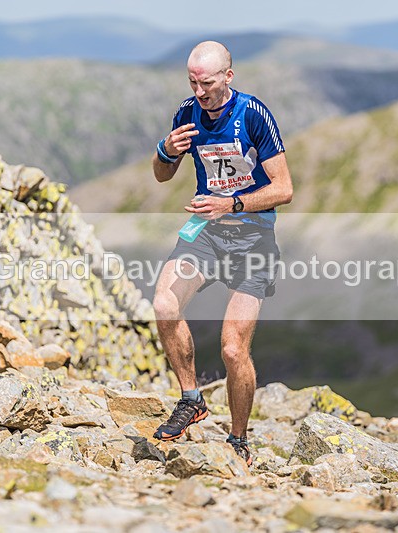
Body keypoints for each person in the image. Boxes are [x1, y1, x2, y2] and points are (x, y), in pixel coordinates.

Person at [150, 41, 293, 466]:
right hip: (206, 233)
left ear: (228, 77)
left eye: (207, 83)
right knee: (163, 303)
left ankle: (238, 438)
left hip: (253, 237)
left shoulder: (253, 114)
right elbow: (161, 176)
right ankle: (191, 398)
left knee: (233, 349)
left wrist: (230, 203)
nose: (199, 92)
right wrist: (166, 152)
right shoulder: (186, 112)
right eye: (192, 82)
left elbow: (283, 189)